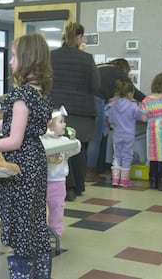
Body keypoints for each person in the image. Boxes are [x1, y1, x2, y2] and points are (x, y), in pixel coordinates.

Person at [0, 33, 53, 278]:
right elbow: (12, 123)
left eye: (14, 56)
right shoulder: (39, 94)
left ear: (28, 59)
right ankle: (40, 271)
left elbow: (14, 140)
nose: (10, 62)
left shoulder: (21, 96)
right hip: (35, 159)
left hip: (21, 163)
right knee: (34, 219)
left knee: (20, 219)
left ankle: (23, 271)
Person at [50, 21, 100, 200]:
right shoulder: (86, 59)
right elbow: (95, 85)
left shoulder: (52, 56)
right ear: (79, 37)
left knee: (60, 147)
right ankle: (78, 187)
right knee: (79, 148)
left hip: (58, 109)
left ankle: (66, 187)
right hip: (82, 109)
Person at [86, 58, 146, 182]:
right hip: (97, 101)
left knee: (84, 139)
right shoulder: (118, 72)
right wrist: (151, 101)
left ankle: (82, 171)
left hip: (83, 101)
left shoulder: (101, 67)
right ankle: (90, 171)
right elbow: (134, 92)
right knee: (95, 139)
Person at [43, 107, 81, 238]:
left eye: (64, 121)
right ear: (50, 125)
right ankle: (40, 231)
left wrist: (74, 140)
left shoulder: (65, 142)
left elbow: (75, 149)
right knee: (39, 209)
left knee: (57, 208)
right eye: (61, 121)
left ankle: (56, 231)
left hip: (58, 182)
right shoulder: (43, 140)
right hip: (43, 181)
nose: (64, 124)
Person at [107, 80, 143, 187]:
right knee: (127, 156)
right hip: (129, 136)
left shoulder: (113, 105)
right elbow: (141, 117)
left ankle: (115, 179)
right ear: (130, 93)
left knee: (117, 156)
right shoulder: (133, 106)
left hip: (117, 135)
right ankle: (124, 180)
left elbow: (110, 120)